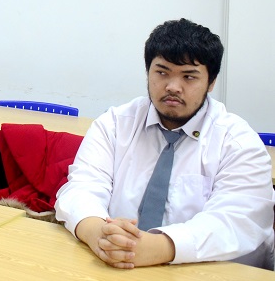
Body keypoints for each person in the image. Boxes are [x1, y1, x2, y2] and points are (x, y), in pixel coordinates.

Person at [55, 18, 275, 270]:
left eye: (189, 77)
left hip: (209, 271)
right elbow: (82, 188)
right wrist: (97, 233)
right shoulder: (115, 124)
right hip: (117, 266)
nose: (172, 87)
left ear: (211, 82)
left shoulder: (238, 142)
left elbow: (236, 221)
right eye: (162, 72)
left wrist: (157, 247)